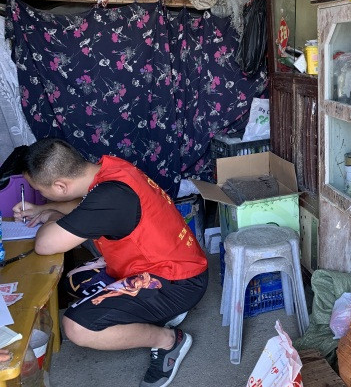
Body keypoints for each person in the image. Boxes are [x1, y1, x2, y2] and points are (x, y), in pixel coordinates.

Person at [12, 138, 209, 387]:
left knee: (77, 327)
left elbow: (44, 244)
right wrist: (44, 209)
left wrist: (51, 215)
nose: (40, 196)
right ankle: (154, 313)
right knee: (76, 280)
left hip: (179, 281)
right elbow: (85, 205)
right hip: (161, 262)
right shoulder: (110, 170)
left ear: (61, 185)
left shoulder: (110, 198)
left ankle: (168, 340)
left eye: (40, 191)